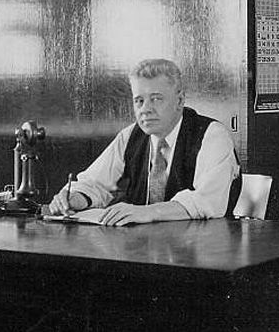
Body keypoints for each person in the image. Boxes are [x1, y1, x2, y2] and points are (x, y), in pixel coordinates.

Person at [43, 58, 241, 225]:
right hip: (143, 249)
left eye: (156, 99)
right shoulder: (130, 136)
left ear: (180, 101)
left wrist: (147, 212)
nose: (145, 109)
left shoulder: (212, 136)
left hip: (201, 253)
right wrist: (75, 199)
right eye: (139, 100)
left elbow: (207, 201)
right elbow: (95, 183)